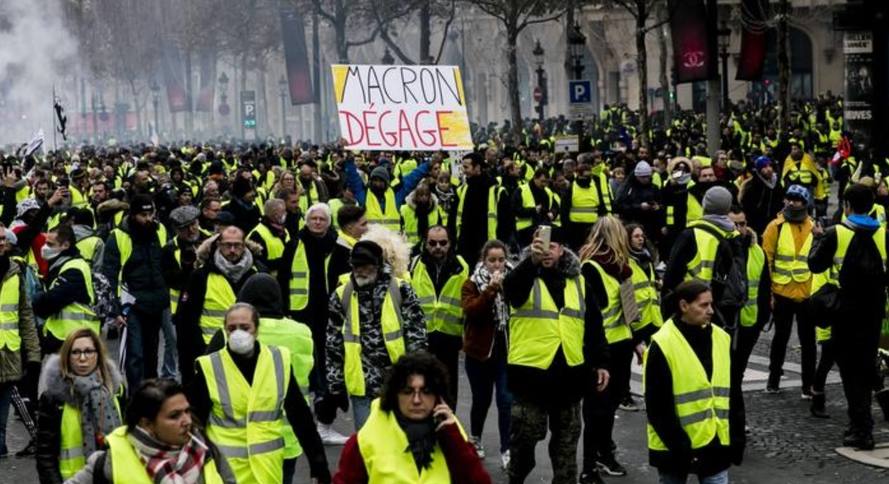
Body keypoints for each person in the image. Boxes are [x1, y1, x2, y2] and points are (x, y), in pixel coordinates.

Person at [503, 226, 609, 484]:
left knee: (566, 450)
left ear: (562, 249)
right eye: (541, 245)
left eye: (552, 246)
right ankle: (516, 476)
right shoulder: (524, 275)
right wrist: (532, 262)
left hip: (570, 376)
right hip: (531, 376)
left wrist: (601, 362)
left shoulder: (579, 282)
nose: (547, 251)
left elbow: (593, 325)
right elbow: (511, 292)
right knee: (525, 439)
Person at [191, 303, 331, 483]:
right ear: (225, 331)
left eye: (245, 327)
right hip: (225, 473)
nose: (238, 333)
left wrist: (318, 463)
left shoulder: (278, 361)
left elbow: (300, 415)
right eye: (231, 328)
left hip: (267, 471)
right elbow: (194, 423)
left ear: (256, 330)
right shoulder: (210, 367)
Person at [205, 273, 316, 483]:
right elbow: (314, 381)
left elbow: (206, 376)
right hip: (287, 438)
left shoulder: (229, 334)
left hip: (237, 442)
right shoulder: (302, 333)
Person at [808, 183, 888, 449]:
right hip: (874, 310)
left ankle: (861, 428)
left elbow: (815, 264)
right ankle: (862, 425)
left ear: (846, 206)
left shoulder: (835, 233)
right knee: (865, 367)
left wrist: (817, 237)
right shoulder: (883, 234)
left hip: (846, 311)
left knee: (850, 371)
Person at [332, 350, 492, 483]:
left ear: (438, 396)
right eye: (408, 392)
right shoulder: (365, 441)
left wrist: (453, 439)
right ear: (395, 395)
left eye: (426, 391)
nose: (416, 400)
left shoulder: (452, 435)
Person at [644, 280, 745, 484]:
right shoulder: (663, 344)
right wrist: (682, 448)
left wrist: (737, 438)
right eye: (703, 305)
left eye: (711, 304)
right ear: (684, 306)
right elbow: (657, 407)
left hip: (715, 444)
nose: (710, 311)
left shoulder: (722, 339)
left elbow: (734, 394)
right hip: (674, 448)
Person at [326, 240, 428, 429]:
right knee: (367, 445)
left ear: (378, 265)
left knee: (400, 442)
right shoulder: (341, 295)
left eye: (365, 265)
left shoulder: (400, 289)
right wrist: (335, 384)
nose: (360, 270)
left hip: (397, 382)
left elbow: (417, 335)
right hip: (361, 383)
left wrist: (417, 373)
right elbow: (333, 343)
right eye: (356, 265)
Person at [65, 378, 236, 483]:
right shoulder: (110, 460)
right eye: (174, 416)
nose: (187, 421)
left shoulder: (205, 448)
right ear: (147, 424)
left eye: (187, 411)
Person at [277, 203, 343, 443]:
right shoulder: (295, 243)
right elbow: (283, 278)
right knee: (304, 363)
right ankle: (303, 416)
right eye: (313, 218)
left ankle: (324, 422)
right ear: (306, 221)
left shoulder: (337, 244)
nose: (317, 222)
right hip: (301, 312)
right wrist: (284, 310)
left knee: (328, 363)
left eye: (321, 219)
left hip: (330, 312)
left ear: (328, 221)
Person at [578, 216, 638, 480]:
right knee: (596, 409)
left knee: (610, 406)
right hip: (601, 349)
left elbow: (628, 309)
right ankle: (590, 464)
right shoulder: (592, 268)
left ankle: (604, 451)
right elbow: (594, 314)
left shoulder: (621, 268)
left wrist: (635, 339)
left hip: (621, 343)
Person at [36, 328, 124, 483]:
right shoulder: (53, 398)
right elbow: (45, 455)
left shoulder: (117, 390)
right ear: (67, 356)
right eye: (75, 352)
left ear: (98, 354)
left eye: (89, 351)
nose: (82, 358)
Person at [176, 226, 258, 385]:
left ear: (244, 245)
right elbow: (185, 321)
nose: (232, 250)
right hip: (209, 350)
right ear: (218, 245)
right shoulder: (200, 276)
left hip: (248, 351)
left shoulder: (256, 274)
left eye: (237, 245)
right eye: (228, 245)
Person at [101, 194, 169, 388]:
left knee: (151, 353)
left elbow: (167, 263)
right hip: (131, 305)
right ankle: (136, 397)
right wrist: (115, 309)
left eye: (151, 213)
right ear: (132, 215)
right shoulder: (118, 236)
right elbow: (110, 274)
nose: (148, 219)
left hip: (156, 302)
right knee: (135, 355)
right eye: (143, 214)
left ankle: (152, 394)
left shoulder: (160, 230)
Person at [461, 239, 513, 469]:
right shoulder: (471, 284)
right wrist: (491, 289)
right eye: (492, 260)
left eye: (501, 260)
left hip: (506, 350)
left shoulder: (511, 280)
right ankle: (476, 437)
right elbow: (473, 312)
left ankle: (506, 448)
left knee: (505, 400)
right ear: (484, 261)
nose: (497, 265)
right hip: (479, 352)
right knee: (481, 400)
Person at [761, 184, 817, 395]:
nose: (792, 203)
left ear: (805, 203)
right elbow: (767, 261)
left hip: (806, 293)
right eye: (789, 199)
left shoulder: (813, 227)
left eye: (797, 199)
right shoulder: (775, 227)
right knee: (780, 339)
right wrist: (769, 294)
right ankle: (773, 380)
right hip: (781, 292)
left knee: (808, 342)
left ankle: (808, 386)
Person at [408, 226, 468, 409]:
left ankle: (447, 429)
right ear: (425, 244)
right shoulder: (415, 265)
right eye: (432, 243)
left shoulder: (461, 266)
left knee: (447, 389)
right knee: (422, 388)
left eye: (443, 243)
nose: (438, 247)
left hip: (450, 336)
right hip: (423, 336)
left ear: (450, 244)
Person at [663, 186, 740, 327]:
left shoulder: (691, 235)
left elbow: (671, 277)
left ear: (704, 205)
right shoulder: (736, 237)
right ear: (728, 208)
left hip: (693, 309)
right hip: (722, 310)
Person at [0, 223, 40, 458]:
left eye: (3, 238)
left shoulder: (15, 271)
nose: (1, 243)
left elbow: (26, 316)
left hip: (8, 351)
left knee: (6, 404)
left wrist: (33, 354)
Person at [33, 224, 100, 354]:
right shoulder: (60, 265)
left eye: (50, 244)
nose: (45, 248)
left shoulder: (74, 268)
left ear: (66, 245)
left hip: (75, 338)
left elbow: (50, 301)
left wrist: (37, 299)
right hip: (65, 337)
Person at [623, 223, 664, 411]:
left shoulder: (647, 258)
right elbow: (626, 291)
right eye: (636, 236)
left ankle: (652, 394)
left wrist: (657, 283)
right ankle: (624, 396)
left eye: (642, 236)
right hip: (635, 317)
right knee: (626, 360)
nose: (640, 239)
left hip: (652, 315)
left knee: (653, 359)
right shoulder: (625, 261)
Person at [727, 206, 771, 378]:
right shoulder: (720, 247)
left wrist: (762, 320)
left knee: (739, 369)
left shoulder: (757, 251)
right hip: (727, 320)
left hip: (750, 322)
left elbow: (764, 287)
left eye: (742, 224)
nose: (739, 229)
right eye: (734, 224)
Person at [449, 152, 512, 265]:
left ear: (477, 167)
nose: (463, 171)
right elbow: (453, 220)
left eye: (466, 167)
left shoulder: (497, 192)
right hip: (464, 250)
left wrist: (500, 247)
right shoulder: (462, 190)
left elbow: (507, 223)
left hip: (489, 251)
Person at [512, 168, 560, 247]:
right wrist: (533, 210)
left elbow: (556, 206)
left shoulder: (548, 191)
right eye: (542, 181)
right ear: (535, 178)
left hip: (544, 228)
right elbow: (515, 210)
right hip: (525, 230)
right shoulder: (521, 190)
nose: (544, 184)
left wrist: (553, 213)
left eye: (546, 182)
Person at [327, 204, 369, 289]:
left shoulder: (353, 248)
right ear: (349, 228)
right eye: (363, 224)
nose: (367, 228)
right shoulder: (342, 253)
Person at [739, 156, 783, 236]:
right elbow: (748, 208)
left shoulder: (777, 184)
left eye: (770, 166)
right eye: (765, 167)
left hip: (774, 223)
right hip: (757, 225)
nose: (769, 169)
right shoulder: (752, 186)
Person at [248, 198, 290, 276]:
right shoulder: (257, 234)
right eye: (283, 211)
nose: (286, 213)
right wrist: (285, 260)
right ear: (275, 215)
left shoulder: (284, 230)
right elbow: (259, 264)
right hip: (271, 281)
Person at [400, 182, 445, 249]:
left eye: (426, 195)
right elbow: (400, 228)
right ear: (416, 196)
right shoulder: (405, 209)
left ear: (429, 196)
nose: (424, 197)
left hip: (430, 247)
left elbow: (440, 227)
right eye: (421, 195)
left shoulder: (435, 209)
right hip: (410, 246)